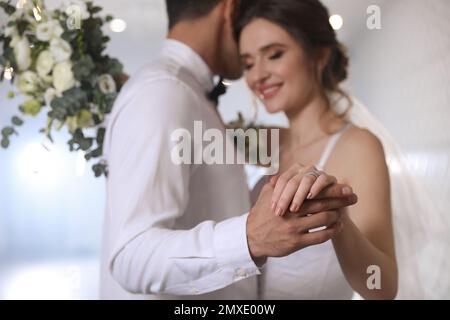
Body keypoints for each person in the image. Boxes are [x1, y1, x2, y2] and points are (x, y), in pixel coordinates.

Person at [100, 0, 357, 299]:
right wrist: (249, 238)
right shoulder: (164, 92)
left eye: (274, 54)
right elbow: (131, 256)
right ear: (230, 9)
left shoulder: (182, 93)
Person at [236, 0, 398, 299]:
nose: (257, 75)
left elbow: (383, 287)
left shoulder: (358, 146)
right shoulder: (262, 140)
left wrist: (337, 218)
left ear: (319, 56)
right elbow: (190, 132)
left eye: (274, 55)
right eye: (247, 63)